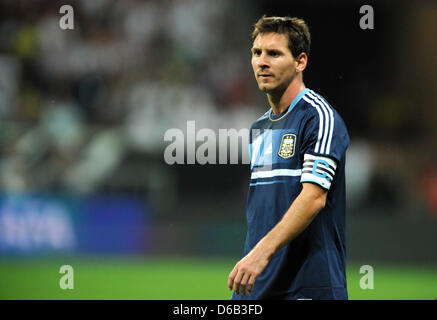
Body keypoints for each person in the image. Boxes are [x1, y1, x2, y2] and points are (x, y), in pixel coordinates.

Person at [228, 15, 350, 300]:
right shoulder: (259, 128)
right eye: (256, 53)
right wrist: (255, 257)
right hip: (258, 282)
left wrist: (260, 253)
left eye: (274, 53)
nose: (261, 62)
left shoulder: (318, 117)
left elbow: (314, 197)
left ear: (300, 62)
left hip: (308, 283)